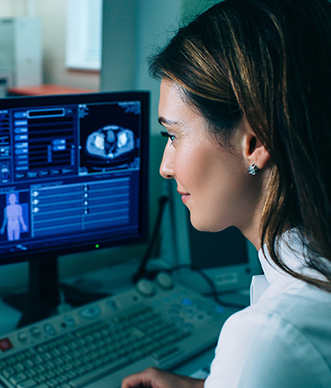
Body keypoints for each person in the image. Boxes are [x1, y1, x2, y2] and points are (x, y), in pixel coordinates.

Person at [122, 0, 331, 387]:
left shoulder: (268, 336)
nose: (164, 168)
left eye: (173, 135)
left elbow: (279, 348)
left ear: (255, 141)